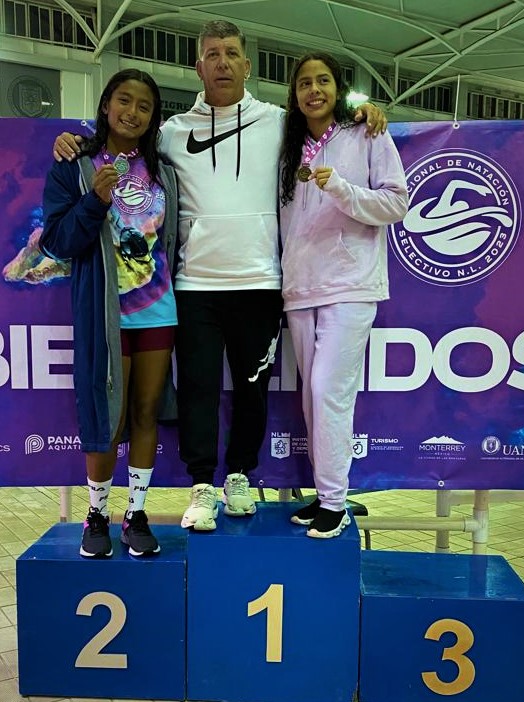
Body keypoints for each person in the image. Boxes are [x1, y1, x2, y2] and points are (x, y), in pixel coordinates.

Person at [52, 21, 387, 532]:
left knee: (252, 391)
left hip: (261, 283)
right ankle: (202, 485)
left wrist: (364, 112)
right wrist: (74, 140)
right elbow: (124, 144)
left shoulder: (279, 122)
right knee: (198, 391)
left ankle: (240, 477)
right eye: (212, 54)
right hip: (193, 286)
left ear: (247, 65)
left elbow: (329, 125)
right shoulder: (171, 131)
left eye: (231, 53)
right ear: (199, 67)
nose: (223, 62)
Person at [40, 69, 179, 557]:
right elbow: (57, 241)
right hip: (104, 314)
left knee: (144, 413)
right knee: (108, 415)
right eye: (124, 100)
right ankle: (96, 514)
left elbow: (171, 240)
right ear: (106, 105)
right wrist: (95, 202)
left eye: (144, 105)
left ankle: (135, 515)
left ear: (153, 117)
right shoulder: (74, 164)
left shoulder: (164, 171)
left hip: (158, 311)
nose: (132, 112)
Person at [279, 52, 408, 538]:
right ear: (294, 94)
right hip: (300, 287)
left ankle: (334, 501)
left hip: (351, 284)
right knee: (312, 401)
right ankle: (324, 493)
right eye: (304, 83)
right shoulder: (288, 146)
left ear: (338, 88)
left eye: (323, 81)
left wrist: (342, 189)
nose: (314, 90)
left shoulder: (367, 134)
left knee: (328, 391)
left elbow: (396, 203)